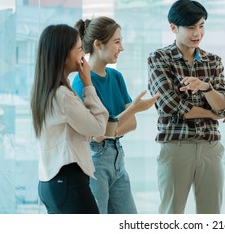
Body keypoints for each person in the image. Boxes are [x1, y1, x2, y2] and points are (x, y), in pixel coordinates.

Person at [147, 0, 225, 214]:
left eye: (201, 26)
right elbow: (170, 105)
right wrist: (211, 114)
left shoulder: (213, 61)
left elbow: (223, 107)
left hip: (210, 147)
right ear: (173, 28)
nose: (198, 33)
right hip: (177, 146)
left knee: (211, 214)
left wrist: (205, 88)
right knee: (172, 214)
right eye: (191, 27)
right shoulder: (160, 58)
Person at [72, 16, 160, 214]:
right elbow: (96, 134)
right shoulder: (81, 83)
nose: (122, 48)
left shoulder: (116, 77)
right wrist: (132, 110)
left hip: (118, 158)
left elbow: (132, 124)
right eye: (117, 42)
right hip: (95, 160)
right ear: (98, 44)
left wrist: (113, 126)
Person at [31, 24, 109, 214]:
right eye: (80, 49)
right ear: (63, 54)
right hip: (68, 180)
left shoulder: (44, 91)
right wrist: (88, 83)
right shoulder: (62, 95)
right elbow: (98, 127)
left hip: (49, 182)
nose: (83, 56)